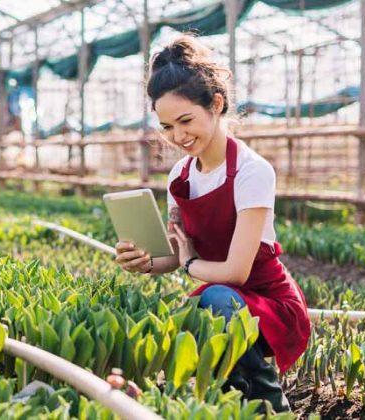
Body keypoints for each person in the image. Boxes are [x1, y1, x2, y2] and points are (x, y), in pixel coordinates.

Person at [114, 34, 310, 413]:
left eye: (186, 121)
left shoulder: (253, 172)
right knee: (186, 315)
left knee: (213, 299)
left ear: (216, 104)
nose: (179, 137)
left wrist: (188, 265)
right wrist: (144, 261)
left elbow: (234, 272)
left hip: (267, 303)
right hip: (221, 299)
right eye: (168, 127)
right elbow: (175, 252)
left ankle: (273, 407)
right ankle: (230, 406)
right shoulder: (180, 177)